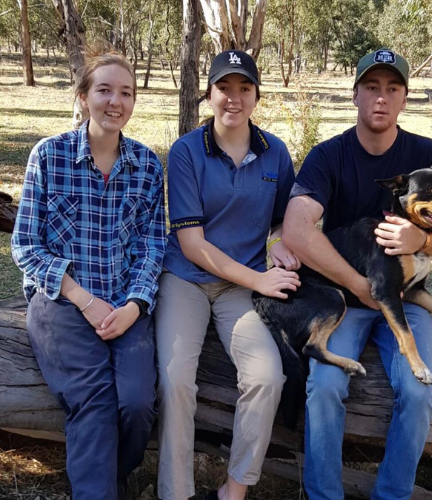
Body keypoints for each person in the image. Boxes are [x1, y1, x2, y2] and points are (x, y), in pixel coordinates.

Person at [282, 48, 432, 500]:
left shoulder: (428, 154)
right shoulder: (329, 156)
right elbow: (298, 229)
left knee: (419, 396)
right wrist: (360, 286)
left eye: (393, 88)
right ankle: (323, 494)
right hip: (346, 298)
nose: (381, 98)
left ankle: (391, 494)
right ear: (356, 94)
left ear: (404, 98)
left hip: (406, 296)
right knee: (323, 386)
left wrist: (420, 242)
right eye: (372, 88)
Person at [11, 44, 166, 500]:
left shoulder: (146, 166)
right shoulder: (49, 156)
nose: (115, 102)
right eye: (104, 90)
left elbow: (153, 245)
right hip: (60, 300)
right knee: (95, 400)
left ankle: (111, 477)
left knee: (137, 402)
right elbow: (25, 245)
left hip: (124, 302)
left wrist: (135, 306)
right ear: (83, 97)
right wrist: (83, 297)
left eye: (126, 93)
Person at [154, 50, 300, 500]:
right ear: (209, 94)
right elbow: (192, 245)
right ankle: (175, 492)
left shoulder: (275, 153)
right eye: (224, 88)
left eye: (244, 89)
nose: (233, 99)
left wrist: (276, 247)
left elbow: (281, 220)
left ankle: (235, 488)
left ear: (257, 96)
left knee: (267, 377)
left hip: (241, 289)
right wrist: (260, 281)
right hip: (186, 279)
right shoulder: (185, 152)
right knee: (176, 379)